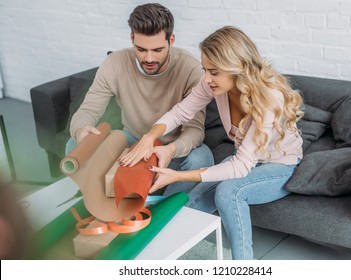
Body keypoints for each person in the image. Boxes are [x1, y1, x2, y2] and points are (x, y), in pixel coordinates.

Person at [120, 26, 304, 260]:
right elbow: (180, 113)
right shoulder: (215, 85)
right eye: (205, 69)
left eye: (214, 72)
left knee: (229, 191)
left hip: (281, 166)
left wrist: (176, 176)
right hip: (247, 161)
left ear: (236, 68)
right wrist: (148, 137)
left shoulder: (269, 98)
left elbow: (240, 168)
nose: (207, 79)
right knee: (187, 211)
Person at [68, 3, 214, 196]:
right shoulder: (115, 63)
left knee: (202, 158)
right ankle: (106, 200)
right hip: (131, 140)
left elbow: (194, 130)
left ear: (171, 40)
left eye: (158, 50)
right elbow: (87, 110)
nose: (149, 58)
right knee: (73, 146)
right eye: (141, 49)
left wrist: (171, 149)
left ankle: (161, 209)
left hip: (169, 148)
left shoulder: (191, 69)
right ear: (131, 38)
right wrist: (80, 131)